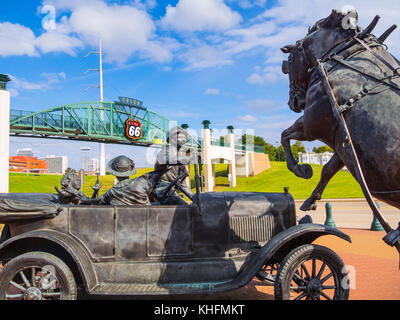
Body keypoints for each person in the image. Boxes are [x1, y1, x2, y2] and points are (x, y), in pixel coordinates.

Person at [79, 155, 165, 206]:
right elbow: (159, 175)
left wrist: (90, 195)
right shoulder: (143, 182)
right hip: (147, 221)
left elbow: (96, 201)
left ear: (115, 173)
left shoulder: (112, 192)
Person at [153, 126, 196, 205]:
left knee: (190, 207)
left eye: (185, 137)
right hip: (162, 190)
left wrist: (195, 198)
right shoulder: (165, 151)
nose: (184, 140)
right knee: (184, 209)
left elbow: (182, 185)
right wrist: (184, 159)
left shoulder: (179, 158)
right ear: (173, 139)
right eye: (181, 137)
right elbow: (163, 160)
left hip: (170, 191)